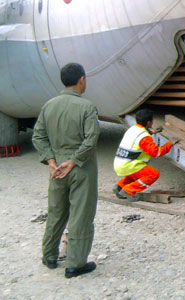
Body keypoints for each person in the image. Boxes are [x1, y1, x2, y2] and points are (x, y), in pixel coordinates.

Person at [32, 62, 100, 279]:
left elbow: (38, 136)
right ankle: (75, 263)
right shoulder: (87, 107)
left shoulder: (49, 106)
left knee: (56, 212)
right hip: (80, 168)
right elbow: (91, 140)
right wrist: (73, 161)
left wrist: (51, 161)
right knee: (81, 214)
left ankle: (49, 256)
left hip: (56, 169)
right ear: (82, 80)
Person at [113, 108, 173, 202]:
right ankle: (129, 190)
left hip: (120, 163)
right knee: (153, 174)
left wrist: (153, 132)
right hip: (129, 165)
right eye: (152, 122)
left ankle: (120, 186)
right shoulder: (144, 137)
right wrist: (170, 144)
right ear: (149, 123)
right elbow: (156, 153)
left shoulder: (133, 128)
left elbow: (140, 136)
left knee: (136, 174)